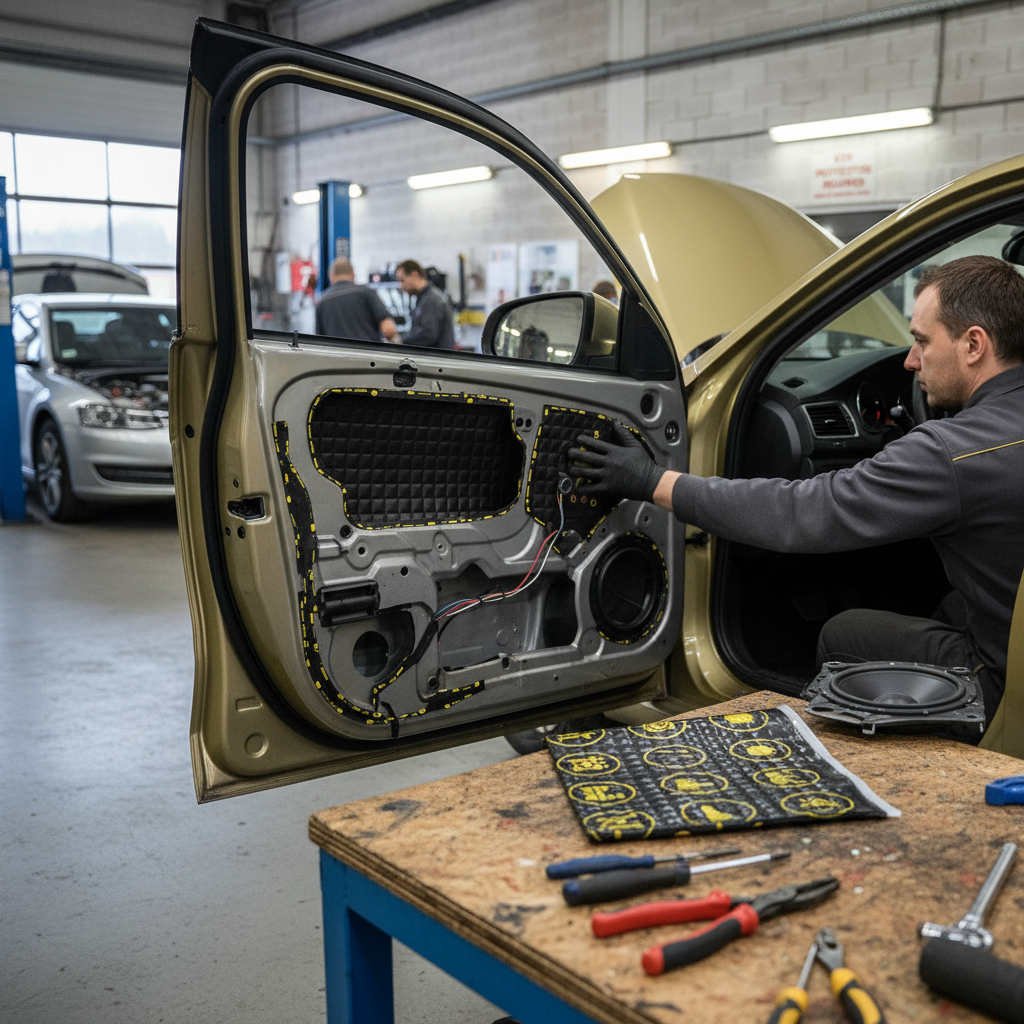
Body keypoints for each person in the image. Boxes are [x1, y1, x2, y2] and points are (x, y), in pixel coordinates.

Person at [569, 255, 1024, 736]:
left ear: (974, 344)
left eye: (922, 341)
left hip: (1003, 682)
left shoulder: (952, 453)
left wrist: (652, 481)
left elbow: (803, 511)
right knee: (947, 604)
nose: (910, 361)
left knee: (844, 634)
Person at [316, 257, 399, 343]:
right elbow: (389, 329)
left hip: (336, 351)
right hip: (366, 350)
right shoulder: (366, 293)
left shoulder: (322, 302)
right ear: (353, 275)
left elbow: (319, 341)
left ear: (331, 277)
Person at [395, 259, 456, 349]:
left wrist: (400, 341)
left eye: (402, 280)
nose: (401, 286)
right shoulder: (423, 298)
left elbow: (428, 335)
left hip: (435, 356)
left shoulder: (431, 299)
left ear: (415, 275)